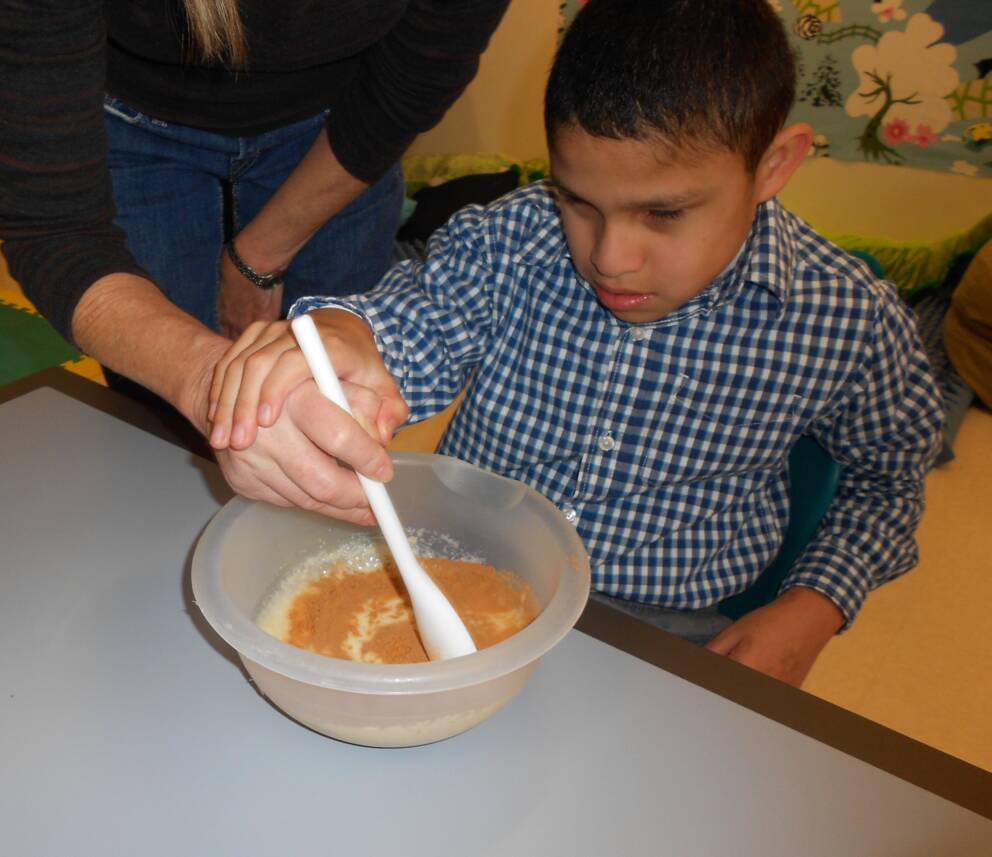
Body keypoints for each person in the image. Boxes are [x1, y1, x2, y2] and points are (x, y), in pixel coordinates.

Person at [202, 0, 943, 685]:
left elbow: (889, 474)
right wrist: (343, 333)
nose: (611, 256)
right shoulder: (513, 241)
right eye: (577, 202)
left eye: (663, 214)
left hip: (665, 631)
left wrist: (815, 605)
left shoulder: (847, 319)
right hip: (468, 574)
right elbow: (412, 322)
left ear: (773, 166)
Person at [0, 0, 508, 520]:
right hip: (131, 118)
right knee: (158, 427)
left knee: (327, 421)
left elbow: (412, 83)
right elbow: (57, 227)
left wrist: (257, 258)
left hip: (346, 120)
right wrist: (206, 383)